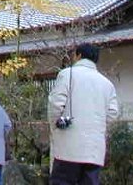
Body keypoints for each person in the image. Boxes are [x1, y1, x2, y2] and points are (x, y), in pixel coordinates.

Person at [48, 43, 119, 185]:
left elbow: (56, 104)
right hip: (94, 149)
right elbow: (112, 114)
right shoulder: (106, 84)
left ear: (78, 55)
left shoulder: (67, 74)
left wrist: (56, 126)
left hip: (68, 147)